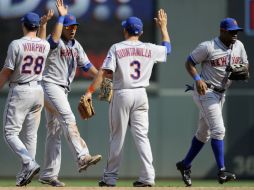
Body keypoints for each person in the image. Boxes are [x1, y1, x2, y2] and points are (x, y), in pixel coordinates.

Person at [84, 9, 171, 187]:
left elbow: (106, 72)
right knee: (142, 137)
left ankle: (110, 178)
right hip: (141, 95)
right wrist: (163, 28)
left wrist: (93, 91)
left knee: (117, 137)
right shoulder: (149, 48)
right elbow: (168, 50)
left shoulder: (117, 47)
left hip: (122, 93)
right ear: (141, 32)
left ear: (125, 31)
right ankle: (148, 177)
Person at [176, 18, 249, 186]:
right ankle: (222, 171)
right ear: (222, 31)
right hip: (205, 91)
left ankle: (185, 165)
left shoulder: (239, 46)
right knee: (219, 129)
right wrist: (197, 79)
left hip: (221, 94)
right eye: (231, 31)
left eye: (237, 31)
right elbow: (189, 62)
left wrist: (242, 70)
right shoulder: (208, 46)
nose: (235, 34)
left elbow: (246, 66)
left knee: (203, 134)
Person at [37, 0, 101, 187]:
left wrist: (103, 79)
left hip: (60, 89)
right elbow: (54, 40)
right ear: (62, 27)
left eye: (74, 26)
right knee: (68, 117)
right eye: (68, 26)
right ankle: (82, 156)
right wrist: (61, 16)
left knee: (54, 131)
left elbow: (88, 67)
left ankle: (48, 174)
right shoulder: (54, 41)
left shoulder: (76, 45)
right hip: (49, 85)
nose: (72, 29)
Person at [0, 12, 50, 186]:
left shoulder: (17, 44)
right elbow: (40, 43)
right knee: (31, 136)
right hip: (38, 91)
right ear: (36, 27)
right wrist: (43, 26)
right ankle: (24, 174)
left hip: (20, 90)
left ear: (24, 25)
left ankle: (29, 163)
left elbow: (6, 71)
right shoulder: (45, 45)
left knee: (10, 133)